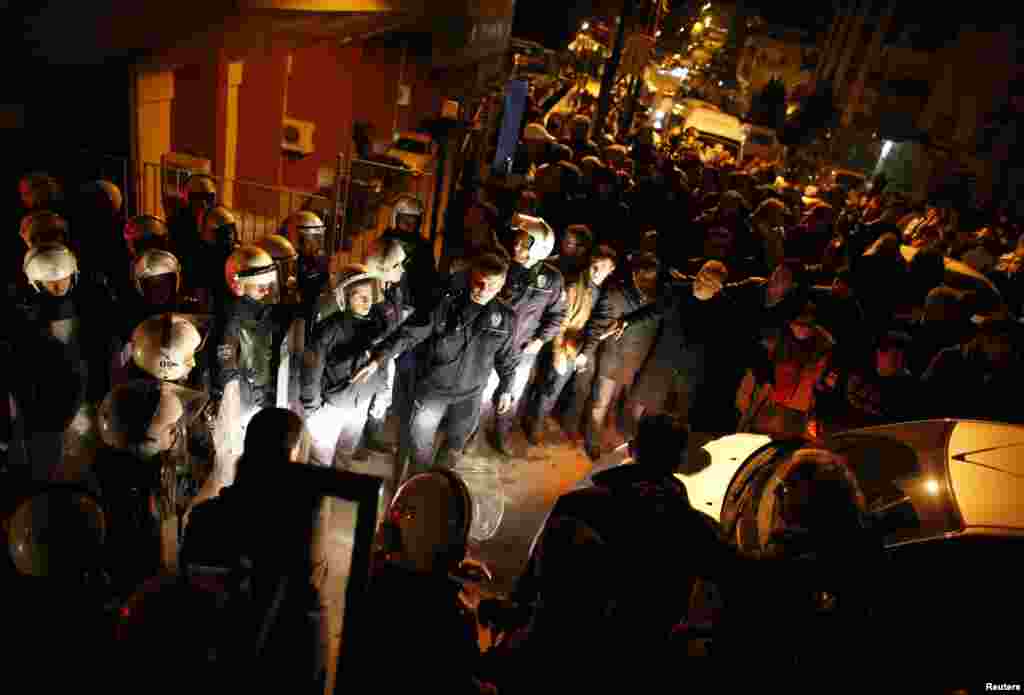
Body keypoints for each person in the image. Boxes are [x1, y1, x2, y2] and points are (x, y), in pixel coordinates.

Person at [351, 253, 519, 481]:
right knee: (419, 444)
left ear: (501, 287)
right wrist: (378, 357)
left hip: (469, 396)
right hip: (433, 392)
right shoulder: (445, 305)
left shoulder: (506, 319)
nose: (482, 289)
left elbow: (507, 357)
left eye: (491, 285)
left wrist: (507, 388)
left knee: (455, 445)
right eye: (478, 281)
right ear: (470, 277)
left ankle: (437, 483)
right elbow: (409, 333)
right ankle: (415, 486)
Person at [486, 214, 565, 456]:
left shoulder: (552, 279)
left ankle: (500, 435)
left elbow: (558, 315)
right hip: (490, 341)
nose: (516, 246)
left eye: (523, 243)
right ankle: (466, 432)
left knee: (510, 394)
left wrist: (540, 340)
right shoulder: (503, 267)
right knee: (478, 390)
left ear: (538, 248)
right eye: (516, 240)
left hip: (522, 349)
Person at [524, 245, 616, 445]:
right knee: (550, 388)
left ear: (611, 269)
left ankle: (535, 418)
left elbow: (596, 323)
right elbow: (561, 322)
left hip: (576, 347)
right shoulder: (574, 287)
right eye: (594, 266)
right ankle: (535, 425)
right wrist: (558, 354)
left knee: (554, 387)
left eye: (602, 267)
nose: (596, 271)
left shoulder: (603, 291)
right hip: (564, 345)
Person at [301, 266, 391, 470]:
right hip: (332, 406)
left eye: (370, 296)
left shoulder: (376, 324)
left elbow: (382, 361)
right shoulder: (328, 329)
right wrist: (312, 408)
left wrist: (380, 392)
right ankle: (318, 500)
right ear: (344, 297)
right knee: (320, 458)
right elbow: (311, 372)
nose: (367, 302)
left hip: (361, 404)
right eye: (360, 297)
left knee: (345, 453)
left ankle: (337, 491)